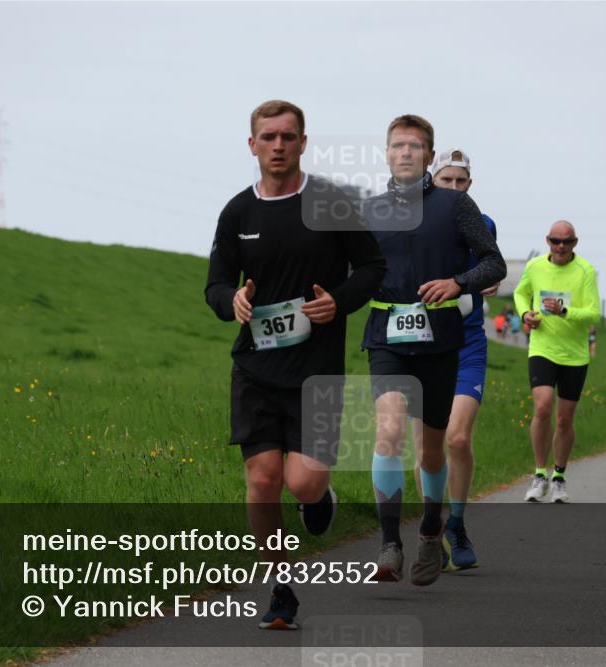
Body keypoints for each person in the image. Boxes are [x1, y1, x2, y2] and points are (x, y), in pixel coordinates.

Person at [205, 100, 386, 629]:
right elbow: (216, 283)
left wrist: (340, 300)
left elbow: (372, 266)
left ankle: (319, 497)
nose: (278, 146)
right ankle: (280, 587)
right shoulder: (238, 212)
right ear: (252, 145)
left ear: (303, 142)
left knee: (302, 483)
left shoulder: (331, 203)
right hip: (256, 369)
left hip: (318, 370)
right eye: (268, 137)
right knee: (262, 482)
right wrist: (231, 302)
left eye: (288, 137)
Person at [363, 116, 505, 586]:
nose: (405, 152)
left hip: (441, 340)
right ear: (386, 153)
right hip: (386, 337)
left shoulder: (455, 205)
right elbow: (349, 274)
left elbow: (493, 263)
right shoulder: (369, 210)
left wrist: (457, 282)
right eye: (397, 145)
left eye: (415, 146)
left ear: (428, 155)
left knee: (431, 449)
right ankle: (389, 546)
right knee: (387, 430)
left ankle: (430, 529)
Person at [410, 148, 498, 572]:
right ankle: (432, 526)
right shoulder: (414, 221)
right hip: (421, 341)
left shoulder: (483, 224)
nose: (455, 189)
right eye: (447, 181)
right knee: (425, 450)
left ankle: (457, 524)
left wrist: (483, 280)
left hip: (466, 344)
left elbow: (490, 266)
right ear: (432, 179)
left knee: (457, 438)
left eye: (462, 182)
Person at [514, 221, 601, 503]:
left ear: (575, 243)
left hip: (574, 355)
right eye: (555, 241)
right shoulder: (535, 266)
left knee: (564, 420)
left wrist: (565, 311)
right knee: (541, 407)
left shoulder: (585, 271)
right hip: (542, 348)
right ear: (548, 240)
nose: (560, 247)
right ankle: (539, 474)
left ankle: (559, 477)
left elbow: (593, 314)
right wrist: (525, 313)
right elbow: (519, 293)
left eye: (566, 241)